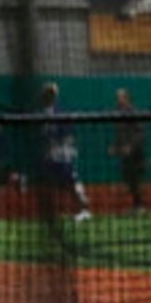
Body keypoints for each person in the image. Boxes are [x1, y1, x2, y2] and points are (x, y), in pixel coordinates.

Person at [36, 83, 92, 223]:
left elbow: (66, 131)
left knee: (71, 179)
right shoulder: (45, 111)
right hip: (51, 151)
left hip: (63, 150)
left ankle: (84, 208)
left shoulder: (59, 111)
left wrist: (57, 138)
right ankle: (54, 212)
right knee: (51, 180)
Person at [111, 88, 149, 210]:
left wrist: (131, 147)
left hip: (135, 152)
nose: (118, 100)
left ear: (127, 98)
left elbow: (140, 133)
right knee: (128, 177)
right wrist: (116, 147)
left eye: (121, 97)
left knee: (134, 178)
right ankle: (137, 204)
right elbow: (120, 133)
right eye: (117, 97)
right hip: (126, 153)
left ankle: (140, 205)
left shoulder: (133, 112)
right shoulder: (119, 113)